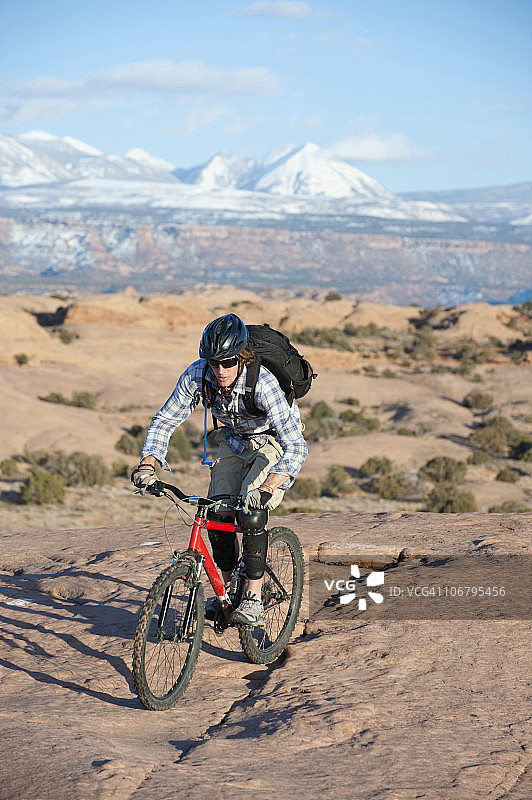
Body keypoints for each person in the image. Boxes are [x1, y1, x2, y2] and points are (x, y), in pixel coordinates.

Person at [131, 313, 308, 626]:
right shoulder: (199, 375)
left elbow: (296, 446)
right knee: (216, 515)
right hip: (233, 444)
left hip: (272, 444)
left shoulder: (263, 383)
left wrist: (268, 487)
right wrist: (148, 463)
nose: (220, 370)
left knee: (250, 511)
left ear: (240, 357)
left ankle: (253, 597)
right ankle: (227, 592)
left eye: (227, 362)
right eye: (214, 363)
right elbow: (165, 419)